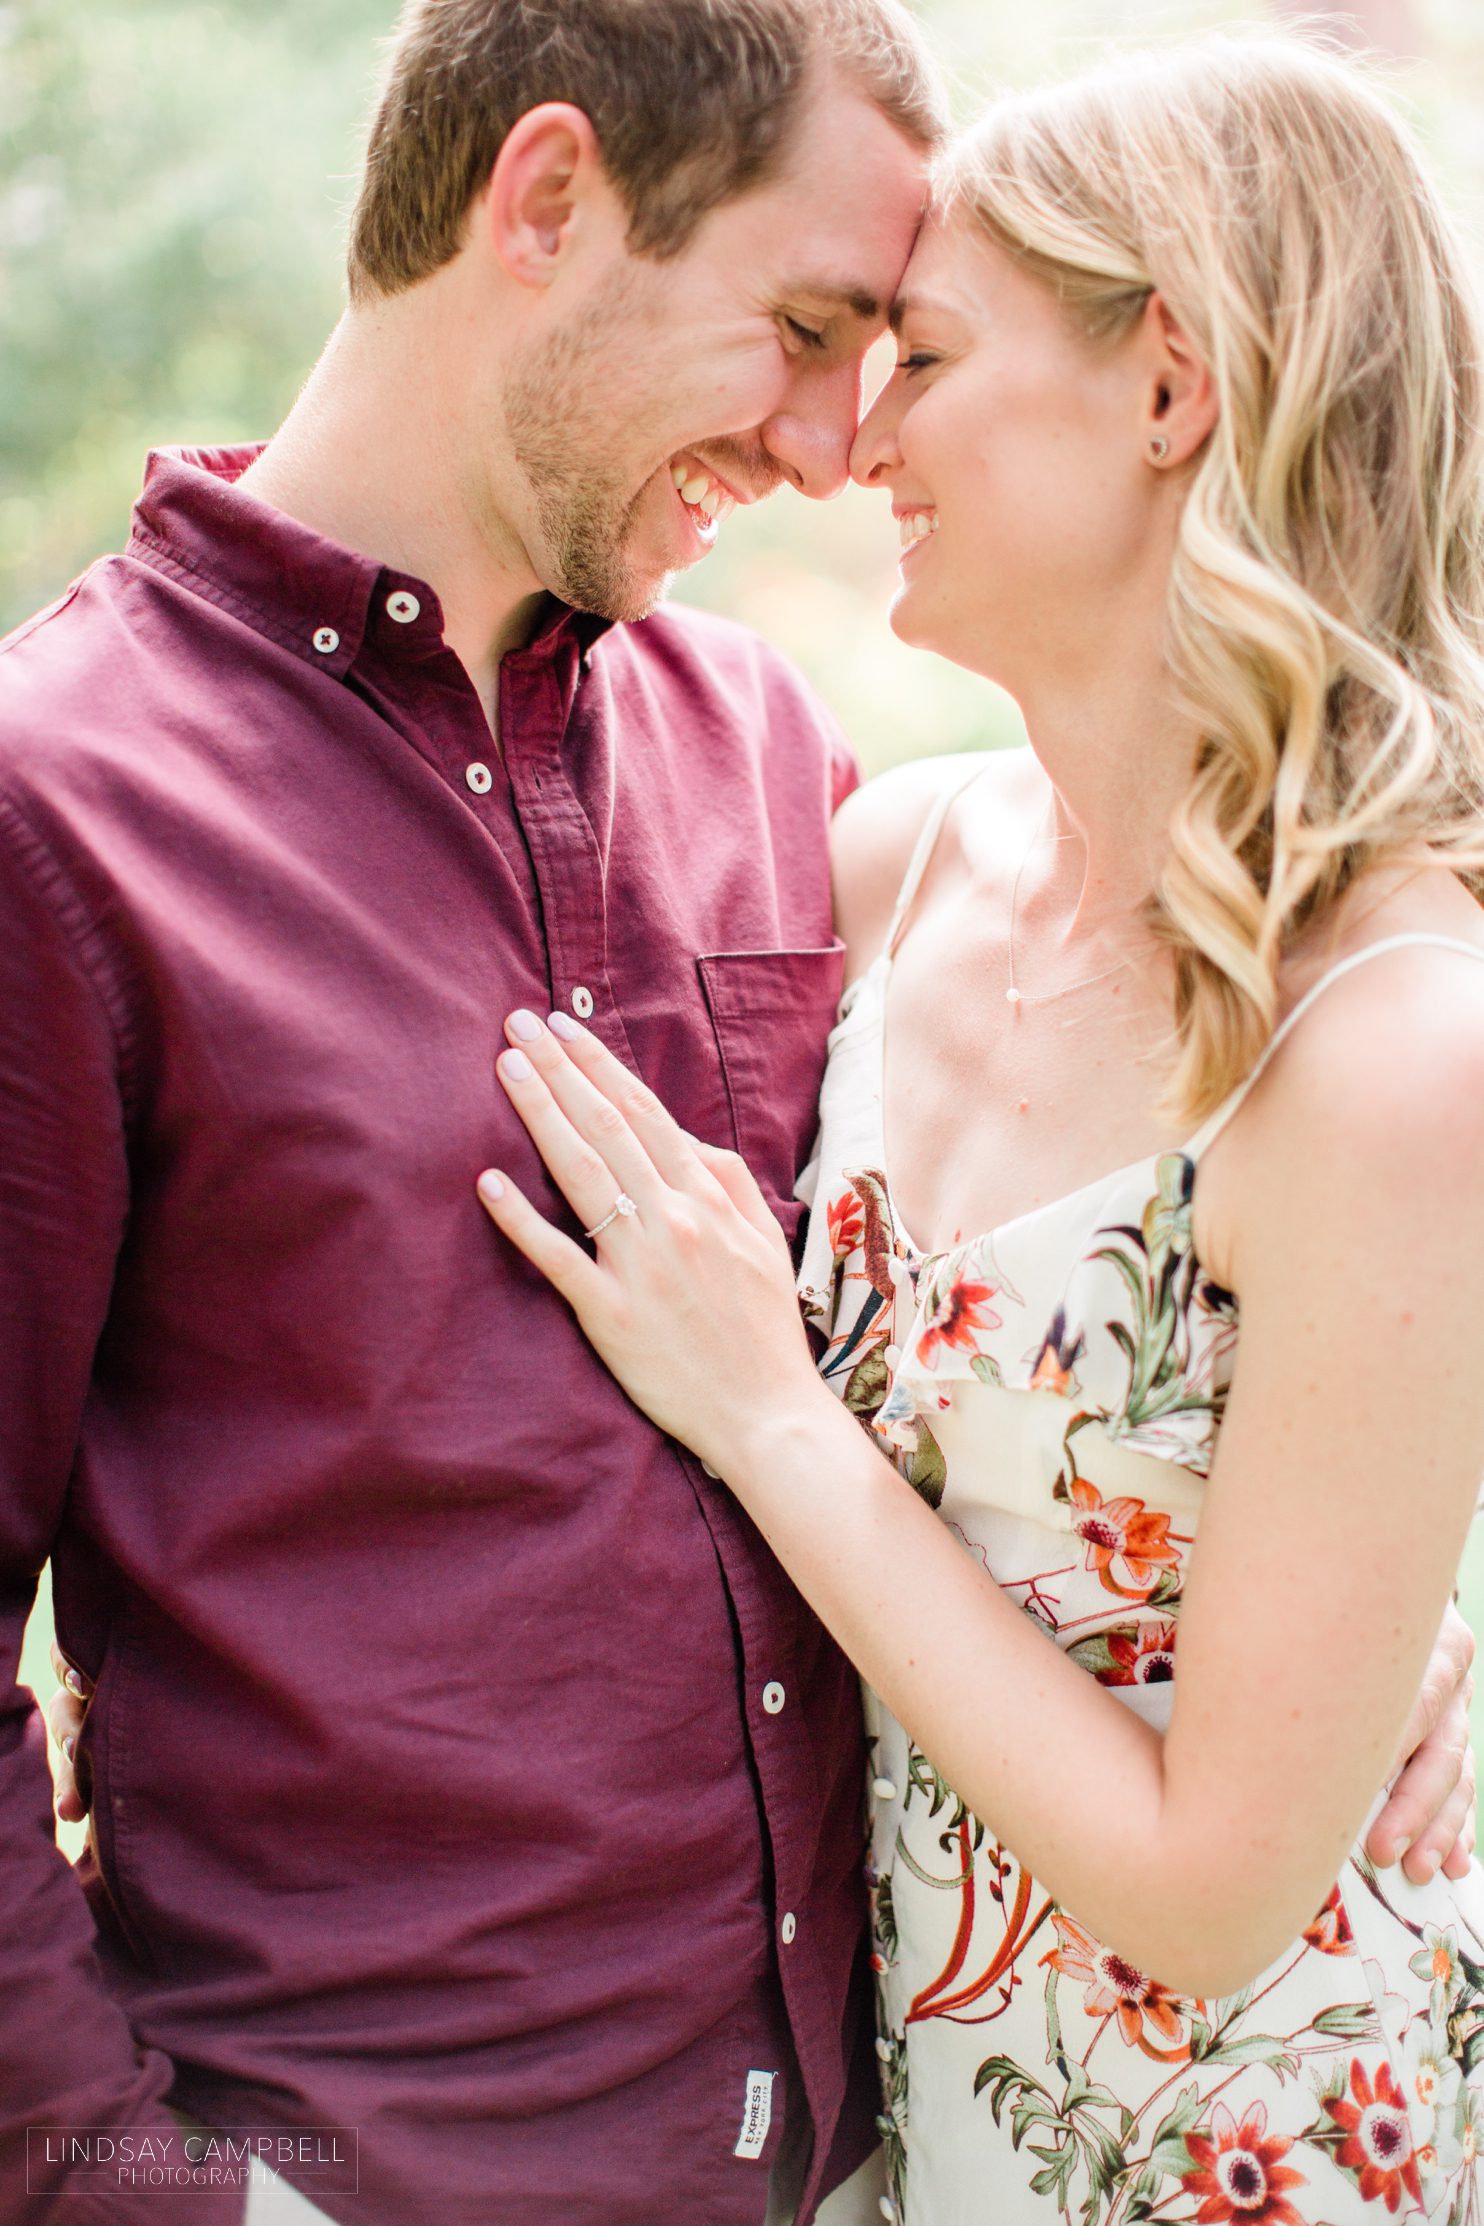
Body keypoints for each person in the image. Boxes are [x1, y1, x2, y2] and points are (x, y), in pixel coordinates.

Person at [473, 34, 1484, 2225]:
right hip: (891, 2123)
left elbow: (1209, 1894)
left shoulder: (1392, 1035)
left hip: (1250, 2148)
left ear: (1168, 390)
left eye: (922, 352)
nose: (854, 435)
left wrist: (774, 1409)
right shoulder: (888, 867)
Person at [0, 2, 944, 2220]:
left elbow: (971, 1320)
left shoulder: (758, 739)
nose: (826, 447)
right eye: (800, 329)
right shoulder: (56, 809)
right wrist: (143, 2195)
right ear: (544, 199)